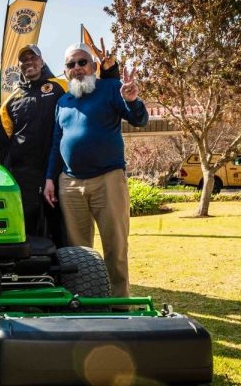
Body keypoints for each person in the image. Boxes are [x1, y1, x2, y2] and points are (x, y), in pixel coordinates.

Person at [44, 42, 149, 299]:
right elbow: (57, 144)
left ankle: (120, 305)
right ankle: (86, 303)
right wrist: (49, 178)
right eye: (71, 65)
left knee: (115, 247)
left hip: (108, 179)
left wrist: (132, 99)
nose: (77, 68)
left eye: (82, 62)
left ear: (93, 66)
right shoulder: (63, 102)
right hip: (69, 184)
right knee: (79, 252)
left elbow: (139, 119)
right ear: (65, 71)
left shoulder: (111, 88)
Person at [0, 44, 66, 241]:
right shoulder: (12, 100)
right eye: (24, 60)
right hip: (25, 174)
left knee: (60, 225)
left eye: (33, 58)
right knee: (28, 226)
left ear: (42, 61)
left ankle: (64, 267)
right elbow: (1, 133)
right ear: (19, 66)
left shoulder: (61, 86)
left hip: (59, 169)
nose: (29, 62)